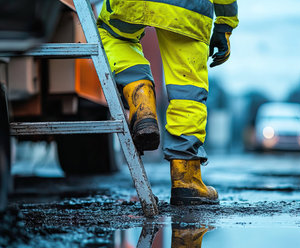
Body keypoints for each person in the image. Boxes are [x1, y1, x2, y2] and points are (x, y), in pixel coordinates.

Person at [97, 0, 238, 205]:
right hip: (190, 9)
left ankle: (141, 98)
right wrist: (225, 23)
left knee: (112, 35)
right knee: (187, 90)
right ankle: (186, 179)